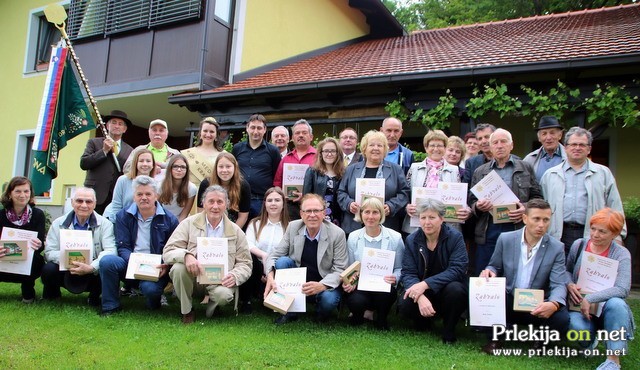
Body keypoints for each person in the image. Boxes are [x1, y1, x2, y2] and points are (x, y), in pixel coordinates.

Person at [479, 199, 569, 354]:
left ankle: (541, 341)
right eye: (536, 219)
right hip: (511, 296)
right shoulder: (506, 239)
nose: (541, 225)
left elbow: (559, 283)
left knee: (561, 317)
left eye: (546, 220)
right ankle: (495, 339)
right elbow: (494, 265)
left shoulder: (557, 248)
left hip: (538, 302)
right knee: (488, 296)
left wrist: (553, 304)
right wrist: (489, 271)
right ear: (525, 218)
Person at [163, 185, 252, 324]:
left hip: (219, 280)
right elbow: (168, 251)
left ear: (227, 204)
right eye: (211, 201)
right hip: (194, 277)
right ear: (203, 203)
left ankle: (213, 306)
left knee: (223, 295)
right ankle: (187, 310)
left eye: (220, 202)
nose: (215, 206)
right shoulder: (189, 223)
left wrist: (235, 275)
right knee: (178, 269)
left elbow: (245, 263)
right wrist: (186, 256)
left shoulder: (236, 231)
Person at [99, 176, 178, 315]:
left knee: (151, 290)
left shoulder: (169, 219)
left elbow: (173, 248)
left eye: (148, 194)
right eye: (139, 194)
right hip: (129, 262)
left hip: (157, 267)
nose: (144, 198)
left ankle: (154, 301)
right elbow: (122, 246)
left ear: (156, 196)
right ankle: (110, 306)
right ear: (134, 197)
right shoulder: (122, 216)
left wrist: (165, 264)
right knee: (107, 262)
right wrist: (136, 262)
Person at [264, 194, 348, 325]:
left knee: (329, 300)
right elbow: (274, 255)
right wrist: (270, 276)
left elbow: (340, 268)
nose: (312, 215)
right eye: (308, 211)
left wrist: (322, 285)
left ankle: (321, 315)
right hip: (298, 283)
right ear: (301, 214)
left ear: (324, 213)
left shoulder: (337, 234)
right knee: (282, 262)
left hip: (323, 283)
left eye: (317, 210)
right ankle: (290, 312)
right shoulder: (293, 227)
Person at [565, 208, 633, 370]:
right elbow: (567, 270)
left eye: (602, 232)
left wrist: (591, 299)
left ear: (614, 234)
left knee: (618, 304)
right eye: (593, 229)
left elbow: (623, 289)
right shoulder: (579, 245)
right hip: (579, 304)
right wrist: (569, 284)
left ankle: (613, 360)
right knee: (575, 326)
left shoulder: (621, 254)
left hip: (605, 306)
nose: (595, 234)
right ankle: (589, 340)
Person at [469, 128, 542, 275]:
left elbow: (538, 198)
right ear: (490, 147)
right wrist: (478, 206)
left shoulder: (525, 167)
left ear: (511, 145)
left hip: (517, 227)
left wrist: (526, 208)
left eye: (503, 142)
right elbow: (472, 202)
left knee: (514, 272)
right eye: (495, 142)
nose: (499, 145)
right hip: (488, 228)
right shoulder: (480, 171)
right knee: (486, 271)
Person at [541, 127, 625, 254]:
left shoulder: (603, 173)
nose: (577, 148)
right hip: (559, 234)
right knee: (560, 272)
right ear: (565, 147)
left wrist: (618, 235)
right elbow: (542, 207)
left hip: (593, 234)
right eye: (573, 144)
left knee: (587, 272)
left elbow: (615, 205)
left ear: (589, 149)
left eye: (582, 145)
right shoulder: (550, 175)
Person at [399, 199, 468, 344]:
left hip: (447, 289)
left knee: (456, 290)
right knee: (404, 304)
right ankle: (424, 322)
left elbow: (458, 269)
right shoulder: (412, 239)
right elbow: (408, 273)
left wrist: (424, 284)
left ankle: (449, 329)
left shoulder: (455, 237)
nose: (427, 222)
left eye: (432, 217)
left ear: (442, 219)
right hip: (423, 291)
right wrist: (420, 296)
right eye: (423, 218)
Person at [41, 188, 116, 306]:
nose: (84, 205)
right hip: (65, 268)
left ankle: (95, 296)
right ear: (72, 202)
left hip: (92, 270)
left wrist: (92, 267)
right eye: (79, 201)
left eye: (89, 202)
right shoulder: (58, 223)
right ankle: (53, 294)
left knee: (108, 266)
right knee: (48, 269)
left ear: (95, 204)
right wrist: (69, 260)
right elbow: (49, 252)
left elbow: (111, 250)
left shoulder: (106, 224)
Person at [344, 197, 404, 330]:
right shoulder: (353, 237)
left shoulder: (395, 238)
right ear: (361, 214)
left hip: (383, 285)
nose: (370, 216)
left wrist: (395, 277)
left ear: (381, 215)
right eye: (366, 212)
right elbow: (350, 266)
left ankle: (381, 318)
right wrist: (350, 281)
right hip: (361, 284)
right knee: (356, 301)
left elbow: (400, 267)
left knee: (387, 295)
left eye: (375, 212)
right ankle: (358, 315)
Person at [338, 130, 410, 235]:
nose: (375, 148)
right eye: (371, 145)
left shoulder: (396, 169)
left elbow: (404, 193)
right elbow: (341, 192)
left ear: (385, 149)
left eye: (380, 145)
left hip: (386, 226)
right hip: (354, 226)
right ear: (364, 148)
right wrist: (349, 204)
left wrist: (391, 206)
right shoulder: (351, 169)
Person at [402, 131, 469, 234]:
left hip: (445, 225)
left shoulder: (454, 170)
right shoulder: (414, 168)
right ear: (426, 148)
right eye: (432, 145)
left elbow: (459, 197)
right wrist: (407, 206)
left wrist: (466, 209)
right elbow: (405, 192)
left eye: (440, 146)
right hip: (417, 224)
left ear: (445, 147)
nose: (436, 149)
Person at [241, 187, 290, 313]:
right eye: (270, 200)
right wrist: (263, 256)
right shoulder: (255, 223)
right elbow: (248, 243)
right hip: (256, 267)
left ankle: (275, 299)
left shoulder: (290, 227)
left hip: (277, 268)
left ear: (283, 204)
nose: (273, 203)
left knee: (284, 261)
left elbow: (291, 251)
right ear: (265, 204)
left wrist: (270, 271)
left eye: (277, 200)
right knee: (247, 258)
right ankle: (246, 301)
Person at [0, 177, 45, 303]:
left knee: (36, 259)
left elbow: (40, 245)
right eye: (18, 191)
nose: (22, 195)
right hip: (3, 256)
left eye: (26, 191)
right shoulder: (1, 215)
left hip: (27, 259)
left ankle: (28, 294)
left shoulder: (38, 215)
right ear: (10, 193)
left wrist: (39, 244)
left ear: (30, 193)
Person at [80, 110, 134, 214]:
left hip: (116, 196)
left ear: (125, 129)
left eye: (120, 124)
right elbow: (84, 163)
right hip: (95, 194)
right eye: (113, 122)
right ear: (107, 125)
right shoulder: (94, 142)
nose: (116, 126)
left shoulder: (130, 150)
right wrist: (103, 151)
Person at [232, 114, 282, 219]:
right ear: (247, 128)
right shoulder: (237, 149)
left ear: (264, 130)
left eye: (259, 128)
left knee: (259, 232)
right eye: (253, 127)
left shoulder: (273, 151)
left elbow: (276, 176)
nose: (256, 131)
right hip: (239, 199)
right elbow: (233, 172)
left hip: (261, 201)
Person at [273, 119, 317, 220]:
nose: (301, 135)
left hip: (312, 207)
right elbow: (277, 183)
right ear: (292, 138)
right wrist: (282, 195)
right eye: (297, 133)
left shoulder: (319, 157)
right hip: (290, 207)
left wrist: (305, 195)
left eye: (304, 133)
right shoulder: (286, 158)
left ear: (311, 137)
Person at [197, 152, 251, 229]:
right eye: (221, 167)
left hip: (233, 226)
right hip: (208, 226)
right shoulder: (206, 184)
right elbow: (201, 212)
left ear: (235, 167)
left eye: (228, 166)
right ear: (216, 168)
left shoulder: (243, 186)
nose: (224, 170)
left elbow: (243, 217)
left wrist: (231, 232)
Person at [103, 149, 155, 223]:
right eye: (141, 161)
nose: (145, 164)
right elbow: (116, 206)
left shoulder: (154, 184)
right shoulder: (123, 180)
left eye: (148, 161)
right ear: (135, 163)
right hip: (118, 221)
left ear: (153, 164)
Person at [302, 137, 345, 226]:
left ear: (338, 153)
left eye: (333, 151)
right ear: (321, 153)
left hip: (338, 219)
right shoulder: (312, 171)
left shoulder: (343, 173)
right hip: (317, 217)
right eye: (326, 151)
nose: (329, 154)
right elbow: (305, 198)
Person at [181, 117, 223, 187]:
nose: (208, 134)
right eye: (205, 131)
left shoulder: (223, 154)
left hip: (214, 194)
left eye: (212, 132)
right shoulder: (188, 153)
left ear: (216, 135)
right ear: (200, 133)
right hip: (191, 195)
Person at [524, 116, 567, 182]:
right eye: (544, 134)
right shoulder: (529, 159)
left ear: (560, 135)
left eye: (552, 133)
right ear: (539, 138)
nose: (548, 137)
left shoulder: (569, 156)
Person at [159, 154, 197, 222]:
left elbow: (184, 214)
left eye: (183, 167)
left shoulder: (192, 188)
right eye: (175, 166)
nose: (179, 170)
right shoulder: (159, 186)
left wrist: (176, 229)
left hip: (181, 223)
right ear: (170, 168)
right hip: (162, 221)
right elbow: (157, 209)